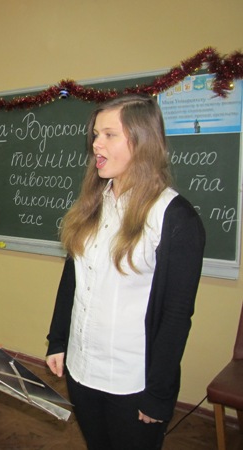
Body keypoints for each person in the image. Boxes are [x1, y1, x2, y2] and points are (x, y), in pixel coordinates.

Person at [46, 94, 205, 450]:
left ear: (142, 141)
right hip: (82, 370)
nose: (96, 144)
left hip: (132, 382)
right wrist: (58, 340)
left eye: (109, 135)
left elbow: (176, 315)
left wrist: (159, 394)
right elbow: (73, 280)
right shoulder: (93, 204)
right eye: (95, 135)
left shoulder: (174, 218)